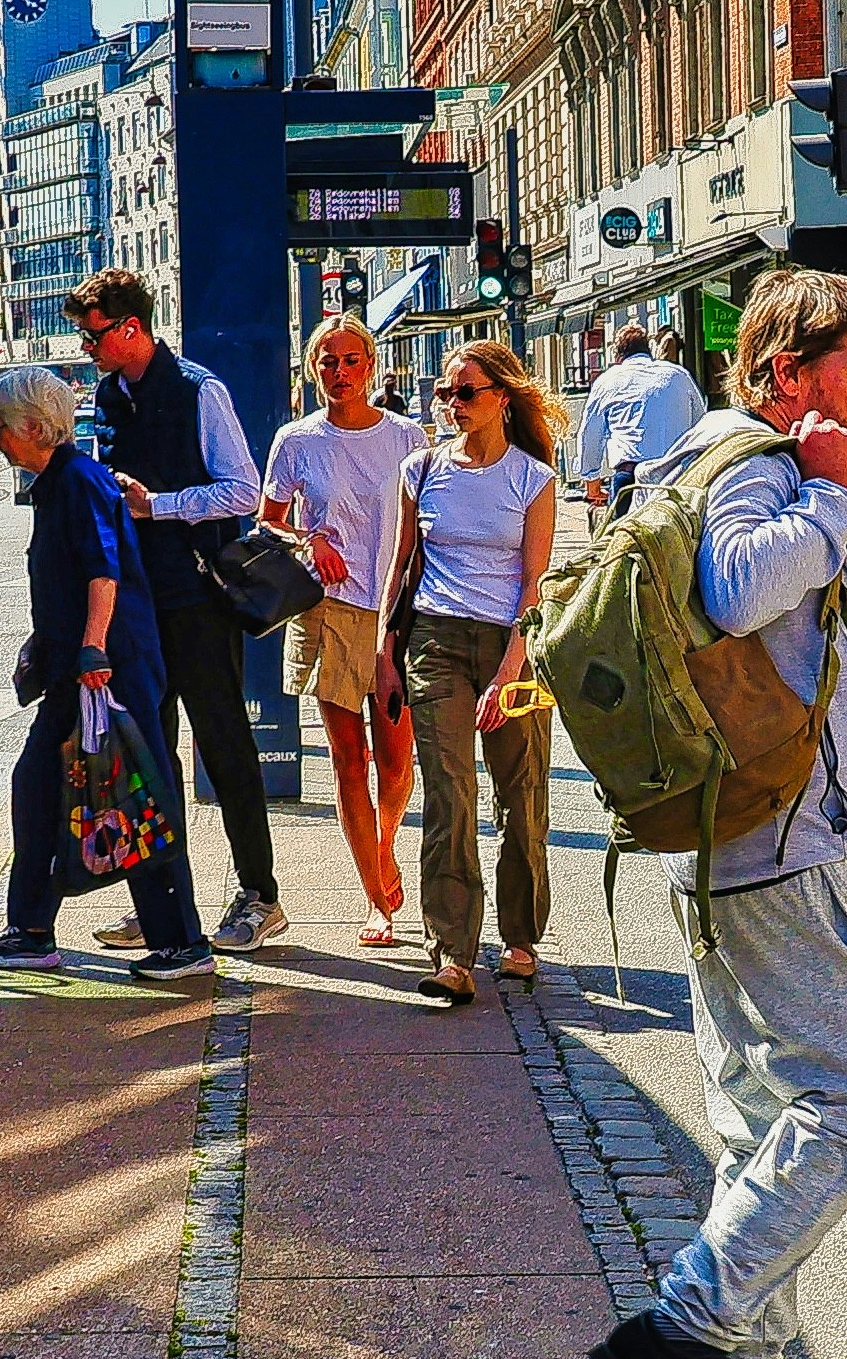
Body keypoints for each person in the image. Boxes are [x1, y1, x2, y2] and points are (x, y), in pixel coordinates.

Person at [582, 270, 847, 1359]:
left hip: (738, 830)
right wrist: (832, 492)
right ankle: (691, 1327)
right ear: (786, 375)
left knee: (761, 1106)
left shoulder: (724, 456)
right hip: (785, 841)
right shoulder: (764, 465)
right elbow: (737, 588)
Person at [0, 364, 212, 978]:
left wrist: (93, 649)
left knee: (134, 793)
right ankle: (30, 929)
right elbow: (68, 577)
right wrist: (48, 641)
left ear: (34, 427)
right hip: (78, 668)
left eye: (0, 425)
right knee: (41, 787)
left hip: (108, 669)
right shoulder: (58, 482)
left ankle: (182, 942)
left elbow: (104, 571)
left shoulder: (78, 481)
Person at [72, 268, 286, 944]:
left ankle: (259, 896)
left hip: (197, 598)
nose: (87, 347)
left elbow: (242, 489)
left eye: (94, 336)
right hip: (137, 604)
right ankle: (163, 903)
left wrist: (158, 505)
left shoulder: (199, 389)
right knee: (150, 756)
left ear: (131, 328)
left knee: (224, 745)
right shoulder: (109, 394)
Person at [384, 339, 566, 999]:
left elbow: (534, 586)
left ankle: (520, 938)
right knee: (449, 793)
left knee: (521, 794)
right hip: (435, 640)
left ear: (502, 398)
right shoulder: (422, 469)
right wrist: (384, 653)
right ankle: (453, 954)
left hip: (511, 642)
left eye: (466, 393)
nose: (452, 404)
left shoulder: (532, 479)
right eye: (445, 393)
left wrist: (510, 669)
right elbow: (401, 566)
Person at [264, 314, 425, 947]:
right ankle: (376, 897)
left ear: (372, 365)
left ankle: (384, 848)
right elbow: (269, 519)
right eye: (328, 361)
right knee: (347, 758)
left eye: (351, 359)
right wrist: (309, 538)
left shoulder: (407, 436)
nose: (340, 372)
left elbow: (429, 518)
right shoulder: (297, 440)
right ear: (313, 369)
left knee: (397, 758)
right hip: (328, 608)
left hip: (395, 612)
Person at [577, 319, 708, 509]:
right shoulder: (679, 375)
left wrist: (592, 484)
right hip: (676, 475)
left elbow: (590, 434)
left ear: (617, 355)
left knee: (622, 527)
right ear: (649, 350)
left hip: (631, 479)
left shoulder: (608, 380)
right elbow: (701, 424)